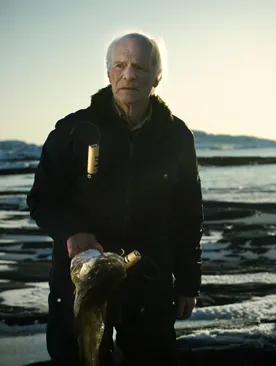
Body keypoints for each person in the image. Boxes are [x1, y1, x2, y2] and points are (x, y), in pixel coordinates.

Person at [26, 32, 203, 365]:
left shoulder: (176, 136)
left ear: (157, 76)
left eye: (139, 66)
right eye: (120, 65)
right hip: (82, 284)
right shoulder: (74, 129)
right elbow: (41, 199)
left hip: (150, 282)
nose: (129, 74)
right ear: (108, 72)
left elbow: (189, 214)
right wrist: (72, 231)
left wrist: (189, 282)